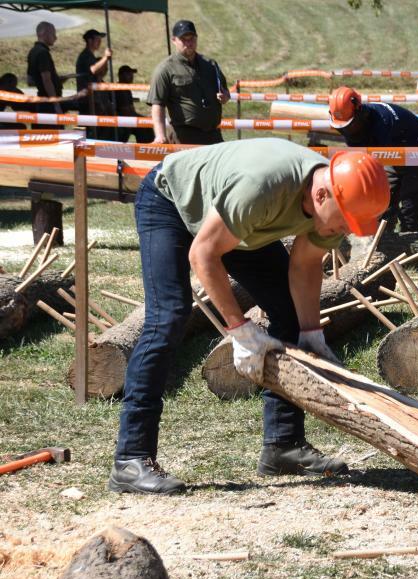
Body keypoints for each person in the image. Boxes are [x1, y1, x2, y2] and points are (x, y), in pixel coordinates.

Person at [107, 138, 391, 495]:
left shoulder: (333, 199)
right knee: (168, 317)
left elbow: (303, 266)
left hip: (239, 224)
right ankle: (131, 459)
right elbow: (204, 254)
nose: (345, 230)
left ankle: (283, 446)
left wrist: (310, 333)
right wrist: (240, 330)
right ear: (321, 196)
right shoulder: (263, 187)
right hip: (172, 202)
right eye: (346, 222)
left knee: (289, 312)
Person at [328, 86, 418, 233]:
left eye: (350, 125)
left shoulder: (383, 124)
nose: (347, 131)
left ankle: (410, 243)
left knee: (411, 204)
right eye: (343, 127)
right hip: (393, 152)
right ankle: (384, 241)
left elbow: (374, 167)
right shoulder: (352, 123)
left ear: (358, 112)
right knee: (382, 203)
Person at [147, 19, 230, 145]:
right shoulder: (165, 69)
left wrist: (225, 97)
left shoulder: (211, 65)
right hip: (183, 137)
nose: (188, 43)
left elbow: (225, 92)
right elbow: (157, 104)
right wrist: (160, 136)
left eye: (192, 38)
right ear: (174, 40)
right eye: (183, 39)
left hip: (213, 135)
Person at [75, 29, 114, 138]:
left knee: (92, 127)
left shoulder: (90, 55)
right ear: (90, 40)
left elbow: (98, 74)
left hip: (90, 97)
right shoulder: (85, 56)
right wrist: (105, 57)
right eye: (97, 39)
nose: (100, 42)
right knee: (99, 126)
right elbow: (93, 70)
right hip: (87, 98)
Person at [27, 21, 63, 119]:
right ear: (44, 33)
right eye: (53, 33)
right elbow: (46, 80)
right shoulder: (43, 53)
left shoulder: (33, 51)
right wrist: (56, 105)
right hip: (49, 105)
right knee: (55, 133)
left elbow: (30, 81)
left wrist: (56, 80)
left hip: (41, 102)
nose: (55, 37)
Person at [114, 65, 155, 143]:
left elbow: (131, 110)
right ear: (121, 75)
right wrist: (141, 119)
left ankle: (148, 148)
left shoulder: (126, 89)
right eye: (128, 74)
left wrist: (143, 119)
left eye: (131, 74)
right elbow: (125, 112)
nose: (132, 76)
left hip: (129, 118)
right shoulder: (118, 89)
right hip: (123, 120)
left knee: (147, 124)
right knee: (144, 125)